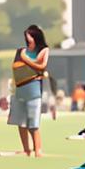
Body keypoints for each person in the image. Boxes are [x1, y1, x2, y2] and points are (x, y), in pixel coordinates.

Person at [10, 25, 49, 157]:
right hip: (20, 89)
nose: (27, 38)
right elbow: (15, 66)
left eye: (29, 35)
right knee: (21, 123)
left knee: (33, 123)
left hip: (33, 90)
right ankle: (26, 149)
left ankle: (38, 149)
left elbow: (42, 66)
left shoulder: (43, 50)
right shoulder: (20, 51)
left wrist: (26, 60)